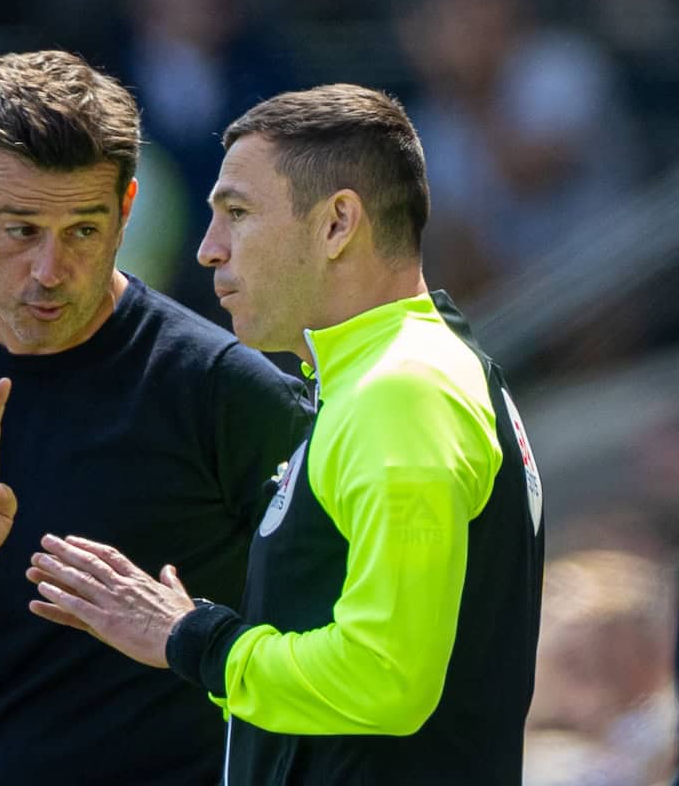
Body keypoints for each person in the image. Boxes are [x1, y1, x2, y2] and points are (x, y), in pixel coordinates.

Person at [0, 50, 311, 785]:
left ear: (126, 212)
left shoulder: (221, 386)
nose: (49, 270)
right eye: (20, 231)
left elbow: (337, 638)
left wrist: (190, 634)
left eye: (82, 230)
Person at [28, 84, 546, 784]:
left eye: (237, 213)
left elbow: (384, 676)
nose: (208, 250)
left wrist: (193, 640)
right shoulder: (390, 375)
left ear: (337, 224)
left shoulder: (401, 389)